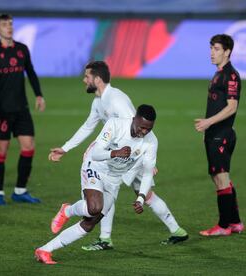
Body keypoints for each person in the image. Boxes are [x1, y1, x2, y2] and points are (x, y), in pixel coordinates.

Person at [49, 61, 187, 249]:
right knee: (114, 191)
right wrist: (66, 148)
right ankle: (107, 238)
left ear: (97, 79)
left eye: (87, 77)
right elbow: (87, 126)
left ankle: (175, 230)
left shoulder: (116, 100)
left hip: (132, 156)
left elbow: (138, 128)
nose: (84, 80)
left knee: (142, 194)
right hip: (119, 156)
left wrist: (147, 161)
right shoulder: (98, 102)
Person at [35, 105, 160, 264]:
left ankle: (44, 250)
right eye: (142, 127)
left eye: (148, 129)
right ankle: (68, 210)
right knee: (95, 207)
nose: (144, 132)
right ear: (134, 118)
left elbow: (148, 172)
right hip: (95, 166)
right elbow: (96, 153)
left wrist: (141, 198)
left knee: (89, 224)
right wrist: (115, 152)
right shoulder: (115, 124)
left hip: (114, 180)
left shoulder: (151, 141)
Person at [0, 14, 46, 205]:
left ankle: (20, 190)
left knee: (29, 147)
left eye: (11, 24)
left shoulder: (22, 50)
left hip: (21, 109)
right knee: (2, 150)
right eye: (5, 25)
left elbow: (31, 72)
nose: (9, 27)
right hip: (1, 111)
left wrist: (39, 95)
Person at [194, 34, 244, 236]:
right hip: (214, 133)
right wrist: (208, 128)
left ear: (227, 51)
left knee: (221, 179)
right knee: (219, 177)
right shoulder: (218, 74)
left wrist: (208, 122)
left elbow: (232, 107)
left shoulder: (230, 76)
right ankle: (235, 222)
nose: (212, 53)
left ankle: (223, 226)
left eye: (216, 49)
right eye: (211, 48)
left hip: (221, 134)